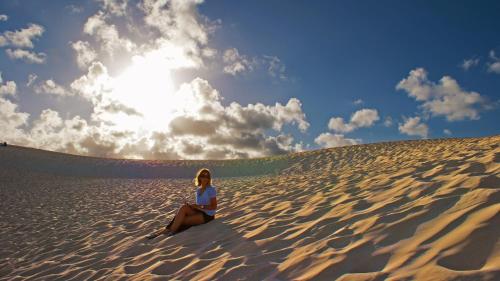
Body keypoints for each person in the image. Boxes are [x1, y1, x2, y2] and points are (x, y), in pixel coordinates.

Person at [146, 168, 217, 239]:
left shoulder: (211, 189)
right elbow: (200, 204)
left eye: (207, 176)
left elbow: (214, 206)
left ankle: (167, 232)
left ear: (209, 178)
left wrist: (200, 206)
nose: (205, 178)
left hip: (208, 215)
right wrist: (193, 206)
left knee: (181, 220)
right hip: (199, 211)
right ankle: (166, 231)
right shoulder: (198, 190)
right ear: (199, 177)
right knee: (184, 208)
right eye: (203, 176)